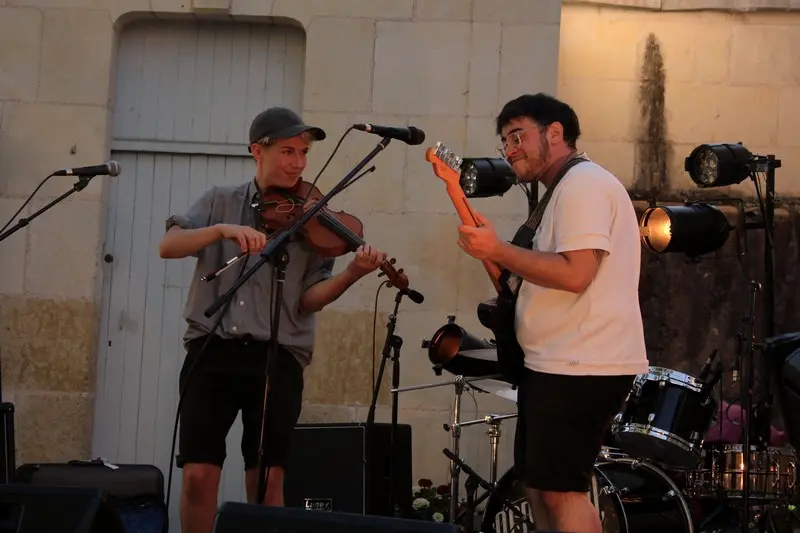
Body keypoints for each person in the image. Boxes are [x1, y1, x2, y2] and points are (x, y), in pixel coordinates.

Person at [158, 107, 386, 533]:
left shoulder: (311, 218)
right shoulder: (218, 200)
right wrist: (221, 230)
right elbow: (169, 245)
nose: (298, 163)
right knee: (197, 477)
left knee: (267, 480)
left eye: (303, 153)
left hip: (278, 357)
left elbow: (308, 300)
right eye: (287, 151)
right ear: (256, 151)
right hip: (212, 351)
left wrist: (354, 274)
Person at [456, 93, 649, 533]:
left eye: (518, 135)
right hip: (557, 362)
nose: (510, 149)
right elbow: (535, 279)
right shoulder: (562, 191)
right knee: (540, 487)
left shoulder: (583, 185)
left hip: (581, 363)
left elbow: (576, 273)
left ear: (555, 133)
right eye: (505, 141)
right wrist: (495, 255)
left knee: (561, 490)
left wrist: (499, 249)